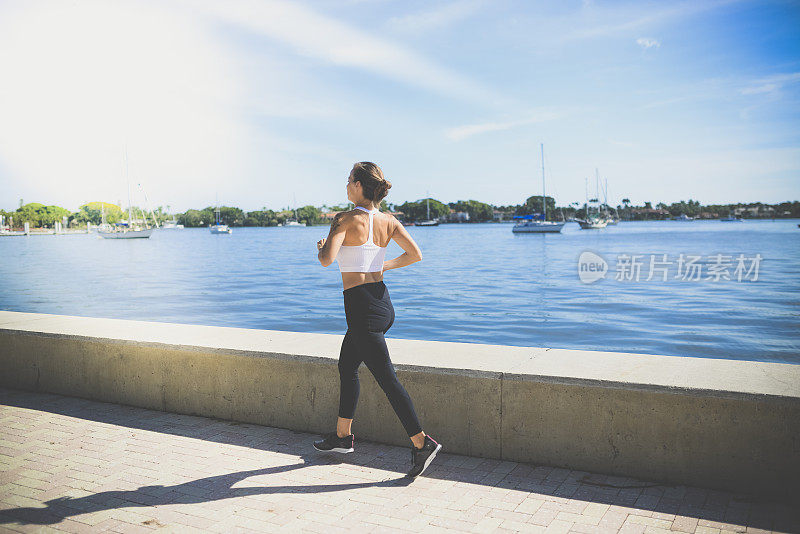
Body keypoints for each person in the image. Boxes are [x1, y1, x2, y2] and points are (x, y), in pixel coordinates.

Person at [315, 161, 442, 478]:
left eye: (348, 180)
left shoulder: (344, 219)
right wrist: (382, 267)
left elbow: (326, 260)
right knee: (347, 366)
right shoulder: (388, 220)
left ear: (358, 186)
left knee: (387, 380)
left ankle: (421, 443)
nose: (345, 186)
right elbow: (415, 255)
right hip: (381, 304)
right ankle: (342, 437)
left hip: (361, 309)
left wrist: (322, 245)